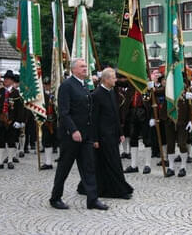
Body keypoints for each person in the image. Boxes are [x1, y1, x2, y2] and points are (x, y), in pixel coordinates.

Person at [49, 58, 108, 210]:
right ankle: (55, 198)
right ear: (74, 69)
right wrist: (73, 130)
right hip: (71, 136)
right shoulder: (66, 86)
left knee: (89, 167)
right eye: (82, 66)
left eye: (85, 66)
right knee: (64, 167)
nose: (85, 68)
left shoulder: (83, 86)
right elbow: (64, 112)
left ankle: (92, 199)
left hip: (86, 135)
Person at [89, 68, 133, 199]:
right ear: (107, 79)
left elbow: (116, 114)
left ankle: (108, 187)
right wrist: (94, 139)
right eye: (114, 78)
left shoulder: (112, 91)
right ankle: (118, 190)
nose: (116, 80)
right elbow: (93, 118)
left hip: (113, 134)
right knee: (111, 162)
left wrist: (121, 132)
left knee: (112, 161)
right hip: (103, 135)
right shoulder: (96, 94)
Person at [0, 70, 24, 169]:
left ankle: (10, 160)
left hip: (11, 121)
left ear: (12, 81)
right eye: (5, 78)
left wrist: (19, 121)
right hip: (1, 120)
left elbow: (20, 108)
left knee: (11, 141)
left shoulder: (16, 93)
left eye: (7, 79)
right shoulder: (0, 91)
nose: (5, 80)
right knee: (0, 141)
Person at [41, 77, 57, 170]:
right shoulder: (41, 96)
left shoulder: (56, 94)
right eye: (46, 84)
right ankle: (48, 162)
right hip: (46, 121)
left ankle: (60, 161)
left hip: (56, 121)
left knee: (59, 141)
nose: (47, 86)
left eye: (49, 84)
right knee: (47, 141)